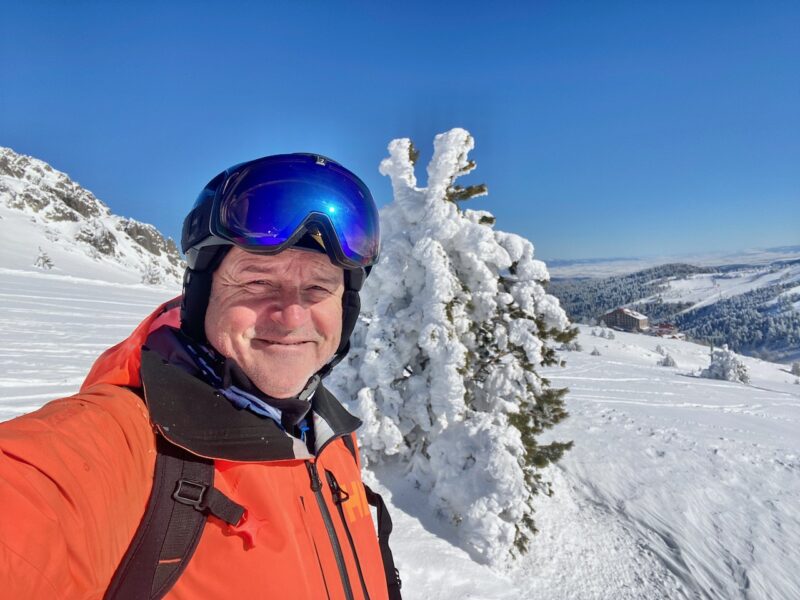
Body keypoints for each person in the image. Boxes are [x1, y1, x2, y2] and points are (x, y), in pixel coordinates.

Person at [0, 153, 401, 599]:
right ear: (203, 293)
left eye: (318, 288)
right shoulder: (128, 445)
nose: (291, 316)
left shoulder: (330, 436)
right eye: (257, 282)